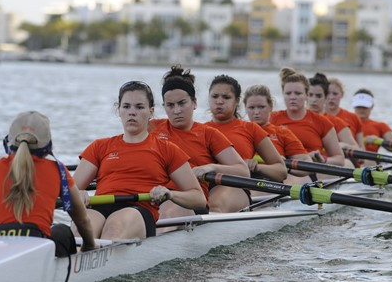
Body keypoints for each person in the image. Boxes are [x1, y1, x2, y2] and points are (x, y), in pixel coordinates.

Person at [73, 81, 206, 240]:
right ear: (118, 110)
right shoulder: (99, 146)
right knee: (79, 232)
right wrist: (77, 194)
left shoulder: (167, 149)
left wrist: (170, 194)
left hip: (138, 209)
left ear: (151, 112)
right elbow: (69, 191)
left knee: (114, 228)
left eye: (139, 107)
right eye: (126, 106)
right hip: (100, 206)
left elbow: (199, 199)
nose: (132, 112)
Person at [0, 111, 97, 256]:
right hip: (34, 247)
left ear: (10, 141)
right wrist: (90, 246)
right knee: (62, 231)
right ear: (48, 145)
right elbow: (82, 220)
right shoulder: (58, 171)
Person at [151, 65, 250, 218]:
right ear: (164, 106)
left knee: (170, 210)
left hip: (190, 201)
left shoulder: (208, 134)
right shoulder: (151, 128)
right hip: (154, 197)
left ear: (194, 103)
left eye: (182, 103)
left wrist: (210, 167)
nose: (176, 110)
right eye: (170, 105)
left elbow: (243, 171)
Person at [205, 74, 287, 210]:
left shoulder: (251, 129)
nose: (219, 101)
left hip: (236, 187)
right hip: (204, 187)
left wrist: (258, 167)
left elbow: (281, 171)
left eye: (226, 97)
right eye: (215, 97)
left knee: (215, 205)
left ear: (236, 101)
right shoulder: (199, 129)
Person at [270, 67, 346, 167]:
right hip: (280, 169)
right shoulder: (271, 118)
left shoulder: (322, 122)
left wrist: (323, 159)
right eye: (288, 93)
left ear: (307, 95)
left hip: (309, 170)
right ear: (283, 94)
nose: (292, 97)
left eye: (298, 93)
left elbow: (340, 160)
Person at [243, 84, 316, 183]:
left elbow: (307, 164)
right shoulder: (239, 131)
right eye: (251, 108)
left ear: (271, 107)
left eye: (261, 107)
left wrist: (284, 165)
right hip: (245, 178)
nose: (256, 112)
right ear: (245, 109)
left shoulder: (282, 133)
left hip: (272, 181)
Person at [308, 72, 360, 150]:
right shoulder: (295, 117)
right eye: (310, 95)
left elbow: (357, 149)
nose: (314, 100)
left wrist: (342, 145)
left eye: (318, 96)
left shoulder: (337, 122)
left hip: (329, 160)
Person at [352, 88, 392, 153]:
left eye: (365, 106)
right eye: (359, 106)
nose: (361, 109)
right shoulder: (343, 123)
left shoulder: (381, 126)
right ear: (353, 105)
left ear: (372, 106)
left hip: (370, 160)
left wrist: (379, 141)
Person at [325, 77, 365, 149]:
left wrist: (346, 145)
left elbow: (361, 148)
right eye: (327, 93)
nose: (331, 97)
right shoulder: (315, 116)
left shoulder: (354, 118)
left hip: (347, 157)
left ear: (342, 94)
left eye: (335, 94)